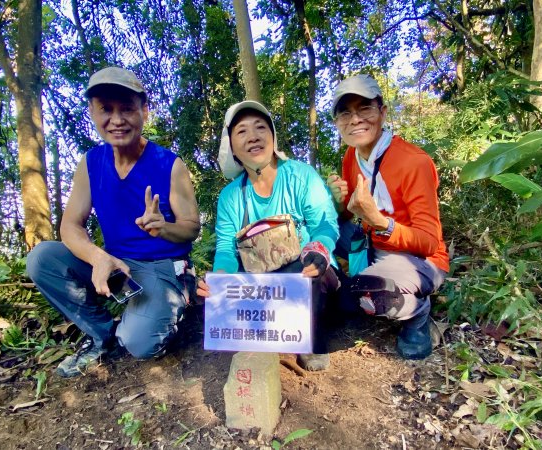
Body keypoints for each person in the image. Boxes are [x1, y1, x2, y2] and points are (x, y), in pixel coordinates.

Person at [26, 67, 200, 377]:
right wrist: (97, 257)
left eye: (127, 109)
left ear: (144, 111)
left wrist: (164, 227)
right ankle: (102, 334)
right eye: (106, 109)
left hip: (161, 266)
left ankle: (164, 309)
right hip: (117, 263)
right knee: (43, 258)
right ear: (92, 112)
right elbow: (70, 226)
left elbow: (191, 227)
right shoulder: (91, 163)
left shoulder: (169, 164)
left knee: (139, 343)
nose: (117, 120)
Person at [196, 100, 340, 371]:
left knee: (306, 274)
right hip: (262, 280)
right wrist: (221, 278)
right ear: (232, 148)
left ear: (273, 137)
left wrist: (320, 249)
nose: (253, 136)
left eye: (261, 127)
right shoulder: (230, 197)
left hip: (308, 270)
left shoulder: (301, 176)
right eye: (242, 131)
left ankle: (313, 342)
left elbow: (325, 224)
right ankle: (271, 337)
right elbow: (227, 249)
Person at [326, 74, 449, 360]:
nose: (355, 119)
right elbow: (346, 215)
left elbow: (430, 243)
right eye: (345, 112)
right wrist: (337, 201)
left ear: (382, 112)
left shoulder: (413, 162)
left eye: (364, 108)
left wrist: (380, 221)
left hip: (418, 260)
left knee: (363, 294)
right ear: (337, 123)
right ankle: (357, 287)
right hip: (371, 246)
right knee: (318, 229)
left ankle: (417, 317)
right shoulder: (351, 157)